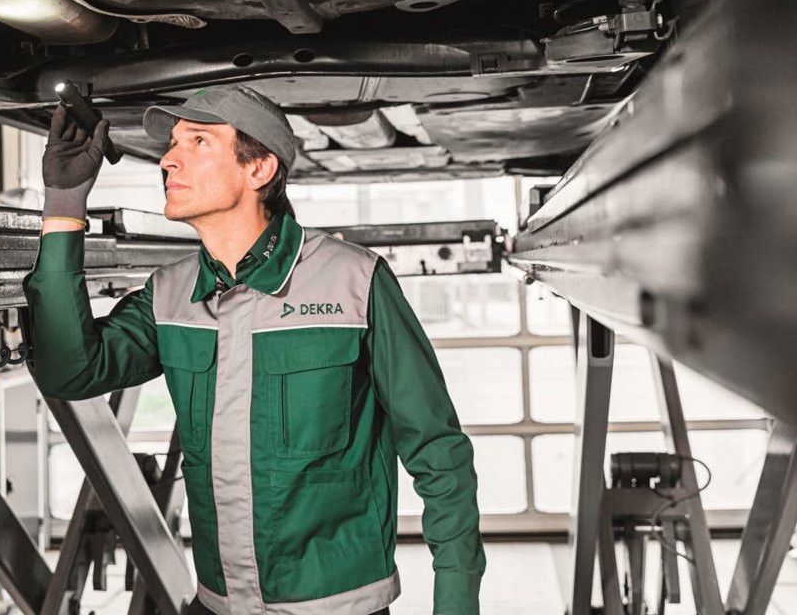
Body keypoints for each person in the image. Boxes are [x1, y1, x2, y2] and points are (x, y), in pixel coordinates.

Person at [24, 86, 485, 615]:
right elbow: (71, 373)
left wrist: (456, 601)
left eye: (198, 141)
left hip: (336, 607)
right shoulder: (169, 292)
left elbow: (437, 449)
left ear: (259, 169)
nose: (168, 160)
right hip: (218, 603)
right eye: (173, 144)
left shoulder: (355, 282)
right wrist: (64, 203)